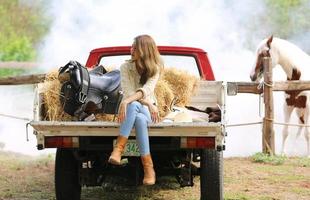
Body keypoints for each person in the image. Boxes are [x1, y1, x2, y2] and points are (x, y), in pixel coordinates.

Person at [108, 35, 163, 185]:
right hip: (136, 111)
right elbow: (128, 91)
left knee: (133, 105)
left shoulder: (155, 69)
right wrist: (136, 101)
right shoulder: (125, 67)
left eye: (135, 47)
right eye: (131, 46)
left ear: (144, 50)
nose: (131, 50)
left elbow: (146, 90)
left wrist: (149, 105)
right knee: (137, 116)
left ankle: (118, 149)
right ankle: (148, 169)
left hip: (148, 112)